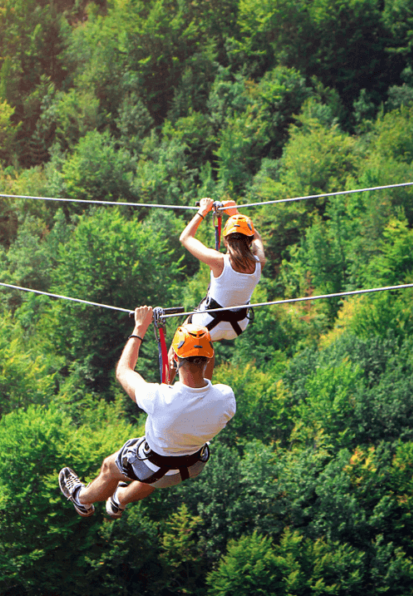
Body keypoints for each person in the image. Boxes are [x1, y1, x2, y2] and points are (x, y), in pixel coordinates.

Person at [58, 306, 236, 519]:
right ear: (208, 358)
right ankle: (120, 499)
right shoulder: (226, 398)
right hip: (192, 464)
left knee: (110, 467)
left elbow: (123, 371)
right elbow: (204, 383)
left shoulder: (158, 398)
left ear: (174, 360)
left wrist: (139, 328)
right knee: (160, 465)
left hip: (155, 466)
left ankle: (82, 499)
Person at [172, 197, 266, 378]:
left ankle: (168, 382)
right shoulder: (259, 261)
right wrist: (236, 214)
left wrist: (203, 211)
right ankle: (205, 387)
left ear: (225, 240)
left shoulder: (219, 261)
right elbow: (257, 239)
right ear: (248, 241)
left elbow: (185, 238)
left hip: (209, 324)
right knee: (207, 342)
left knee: (180, 342)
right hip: (238, 325)